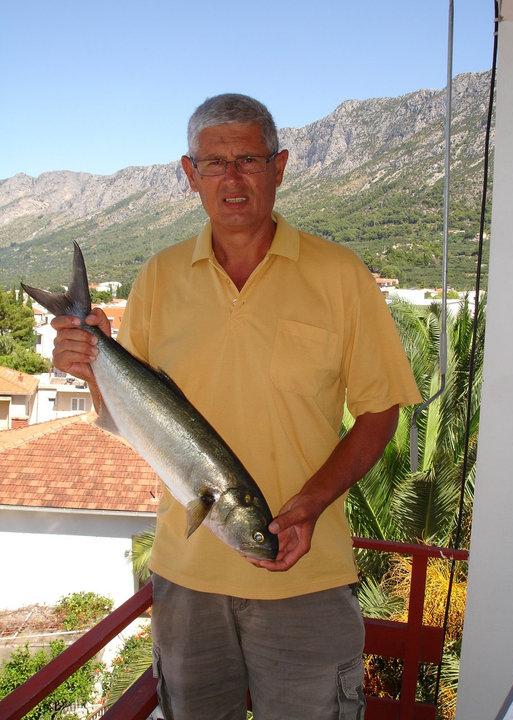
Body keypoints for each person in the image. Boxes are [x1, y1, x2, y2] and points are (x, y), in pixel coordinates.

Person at [52, 93, 421, 720]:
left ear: (279, 167)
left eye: (248, 160)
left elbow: (381, 409)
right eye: (214, 163)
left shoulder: (340, 275)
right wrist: (91, 361)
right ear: (189, 174)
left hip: (306, 576)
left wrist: (310, 503)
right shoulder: (158, 277)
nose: (232, 178)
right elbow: (125, 416)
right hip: (186, 579)